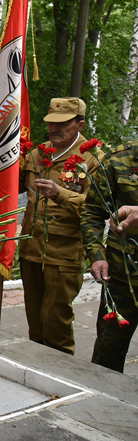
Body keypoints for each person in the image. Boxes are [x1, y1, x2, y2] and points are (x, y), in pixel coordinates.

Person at [18, 98, 103, 355]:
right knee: (35, 321)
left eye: (62, 124)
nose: (54, 129)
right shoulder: (37, 153)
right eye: (51, 123)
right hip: (31, 248)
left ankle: (61, 373)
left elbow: (97, 208)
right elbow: (11, 186)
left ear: (80, 124)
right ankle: (35, 371)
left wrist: (60, 194)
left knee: (56, 321)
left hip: (64, 253)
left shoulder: (92, 159)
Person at [82, 140, 138, 372]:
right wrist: (96, 255)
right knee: (108, 355)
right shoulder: (118, 159)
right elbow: (92, 212)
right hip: (122, 280)